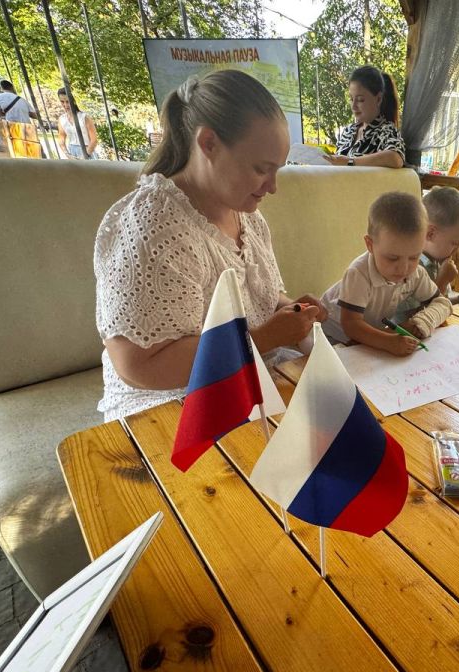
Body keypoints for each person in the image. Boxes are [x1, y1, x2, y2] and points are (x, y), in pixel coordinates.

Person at [94, 70, 326, 421]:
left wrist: (290, 311)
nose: (273, 186)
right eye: (262, 169)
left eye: (278, 169)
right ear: (209, 144)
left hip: (252, 380)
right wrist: (261, 339)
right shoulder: (152, 227)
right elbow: (138, 366)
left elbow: (261, 298)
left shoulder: (248, 216)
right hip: (168, 407)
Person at [320, 191, 452, 355]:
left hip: (367, 339)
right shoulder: (358, 273)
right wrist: (388, 341)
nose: (404, 269)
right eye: (392, 258)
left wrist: (423, 322)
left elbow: (442, 303)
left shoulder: (415, 273)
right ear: (370, 245)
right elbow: (351, 325)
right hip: (329, 336)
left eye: (414, 257)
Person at [327, 65, 405, 169]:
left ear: (378, 99)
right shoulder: (348, 131)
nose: (354, 106)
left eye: (360, 100)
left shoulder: (385, 131)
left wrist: (350, 162)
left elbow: (395, 158)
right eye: (351, 99)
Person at [421, 186, 459, 295]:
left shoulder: (438, 262)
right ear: (430, 233)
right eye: (455, 243)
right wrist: (442, 281)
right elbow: (424, 311)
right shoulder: (411, 267)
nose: (457, 250)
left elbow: (444, 303)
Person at [56, 88, 98, 159]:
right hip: (72, 152)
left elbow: (94, 141)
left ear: (73, 101)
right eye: (62, 102)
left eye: (67, 102)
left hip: (87, 151)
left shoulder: (84, 117)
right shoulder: (62, 119)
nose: (65, 105)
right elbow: (61, 139)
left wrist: (85, 155)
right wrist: (67, 154)